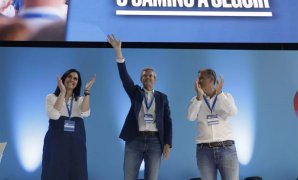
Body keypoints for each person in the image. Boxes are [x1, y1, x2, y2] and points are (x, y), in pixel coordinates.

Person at [107, 34, 172, 180]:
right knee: (129, 176)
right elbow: (124, 77)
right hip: (134, 139)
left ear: (155, 79)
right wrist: (118, 51)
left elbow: (168, 121)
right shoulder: (135, 92)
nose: (148, 77)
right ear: (141, 79)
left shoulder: (163, 97)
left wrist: (168, 143)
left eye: (150, 75)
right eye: (145, 75)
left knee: (152, 177)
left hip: (155, 141)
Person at [42, 69, 96, 180]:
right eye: (69, 76)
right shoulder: (51, 97)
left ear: (77, 83)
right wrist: (62, 93)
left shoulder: (80, 100)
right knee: (54, 173)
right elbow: (54, 115)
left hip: (76, 147)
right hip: (55, 145)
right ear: (64, 78)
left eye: (75, 78)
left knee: (76, 174)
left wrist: (87, 91)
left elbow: (85, 113)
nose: (72, 80)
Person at [187, 69, 239, 180]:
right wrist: (199, 98)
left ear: (211, 80)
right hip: (204, 151)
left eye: (201, 78)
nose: (198, 81)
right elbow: (190, 117)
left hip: (226, 149)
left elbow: (233, 112)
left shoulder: (226, 96)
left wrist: (219, 94)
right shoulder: (196, 100)